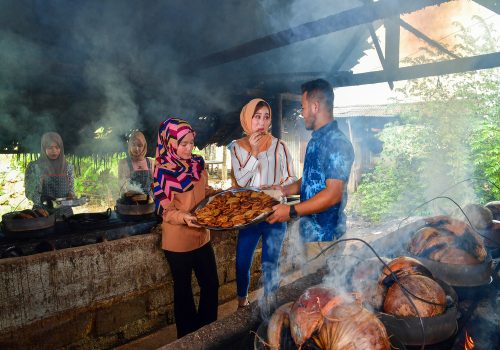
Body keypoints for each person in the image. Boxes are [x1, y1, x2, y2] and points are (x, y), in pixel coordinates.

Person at [267, 79, 354, 254]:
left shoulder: (337, 143)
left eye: (303, 107)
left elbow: (333, 195)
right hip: (308, 234)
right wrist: (284, 190)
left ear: (315, 106)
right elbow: (311, 176)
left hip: (326, 238)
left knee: (321, 281)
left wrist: (291, 211)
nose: (302, 113)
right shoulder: (316, 140)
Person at [153, 117, 219, 338]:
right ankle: (188, 340)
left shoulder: (198, 164)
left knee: (211, 284)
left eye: (192, 142)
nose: (189, 148)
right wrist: (185, 217)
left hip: (202, 235)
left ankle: (207, 332)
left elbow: (205, 192)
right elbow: (166, 211)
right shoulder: (162, 171)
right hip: (178, 240)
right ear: (170, 143)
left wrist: (220, 193)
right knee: (184, 293)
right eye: (183, 144)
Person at [229, 98, 297, 309]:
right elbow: (240, 181)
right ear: (248, 120)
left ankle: (271, 305)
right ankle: (242, 301)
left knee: (270, 263)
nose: (262, 122)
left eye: (266, 117)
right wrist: (255, 152)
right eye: (257, 117)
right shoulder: (237, 147)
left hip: (274, 212)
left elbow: (291, 178)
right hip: (248, 214)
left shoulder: (281, 146)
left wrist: (279, 186)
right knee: (242, 263)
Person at [25, 132, 75, 217]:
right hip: (42, 213)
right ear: (44, 148)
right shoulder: (35, 167)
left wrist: (71, 195)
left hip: (65, 214)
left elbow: (71, 189)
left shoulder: (68, 167)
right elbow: (30, 192)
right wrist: (41, 203)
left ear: (61, 148)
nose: (54, 151)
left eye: (57, 147)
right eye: (50, 148)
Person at [118, 131, 154, 196]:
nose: (136, 148)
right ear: (129, 145)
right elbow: (121, 186)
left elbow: (156, 185)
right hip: (131, 202)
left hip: (149, 203)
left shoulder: (150, 162)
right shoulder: (123, 163)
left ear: (144, 146)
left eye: (140, 145)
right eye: (133, 145)